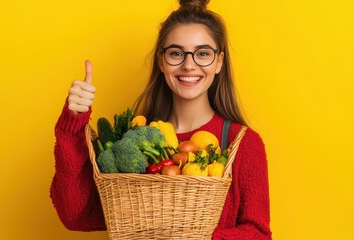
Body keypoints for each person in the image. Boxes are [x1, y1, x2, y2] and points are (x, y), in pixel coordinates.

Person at [50, 0, 272, 239]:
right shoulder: (135, 139)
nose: (189, 65)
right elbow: (78, 215)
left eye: (203, 54)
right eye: (176, 53)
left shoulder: (243, 144)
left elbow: (259, 233)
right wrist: (73, 125)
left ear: (219, 62)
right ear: (161, 61)